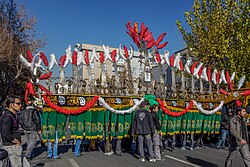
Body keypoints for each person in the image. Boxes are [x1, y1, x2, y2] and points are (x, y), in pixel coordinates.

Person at [0, 96, 30, 167]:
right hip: (12, 146)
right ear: (11, 105)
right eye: (18, 103)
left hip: (15, 146)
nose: (20, 105)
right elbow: (5, 132)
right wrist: (16, 141)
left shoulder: (13, 114)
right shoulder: (8, 117)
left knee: (26, 165)